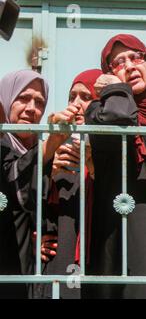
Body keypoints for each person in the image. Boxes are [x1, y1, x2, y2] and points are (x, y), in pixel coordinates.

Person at [84, 34, 146, 299]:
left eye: (136, 57)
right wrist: (117, 90)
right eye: (118, 62)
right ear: (108, 74)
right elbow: (119, 116)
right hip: (121, 232)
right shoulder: (98, 111)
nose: (130, 65)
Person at [0, 70, 74, 298]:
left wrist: (39, 233)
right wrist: (49, 147)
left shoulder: (42, 152)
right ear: (6, 99)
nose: (32, 108)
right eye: (23, 98)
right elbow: (13, 182)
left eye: (39, 102)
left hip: (31, 275)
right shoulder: (4, 146)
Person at [32, 69, 102, 299]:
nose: (76, 104)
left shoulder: (113, 150)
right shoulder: (55, 149)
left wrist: (91, 163)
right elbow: (31, 205)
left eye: (86, 97)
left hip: (100, 261)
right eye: (72, 97)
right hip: (60, 261)